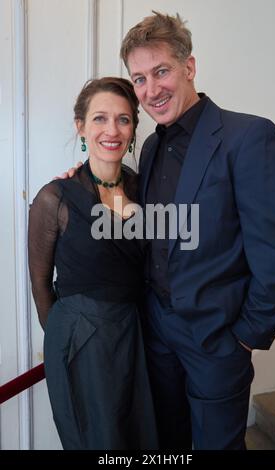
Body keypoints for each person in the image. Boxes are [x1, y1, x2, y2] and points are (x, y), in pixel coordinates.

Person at [62, 12, 275, 450]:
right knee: (168, 444)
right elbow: (144, 224)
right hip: (157, 334)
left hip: (218, 339)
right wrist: (83, 177)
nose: (151, 89)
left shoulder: (249, 137)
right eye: (140, 78)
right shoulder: (149, 146)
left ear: (189, 67)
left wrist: (246, 336)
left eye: (161, 71)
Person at [28, 77, 158, 450]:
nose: (112, 130)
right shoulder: (55, 197)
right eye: (100, 118)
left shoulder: (144, 188)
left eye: (123, 119)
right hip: (80, 340)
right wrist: (68, 341)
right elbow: (40, 286)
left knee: (139, 439)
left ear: (134, 128)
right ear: (81, 126)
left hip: (136, 334)